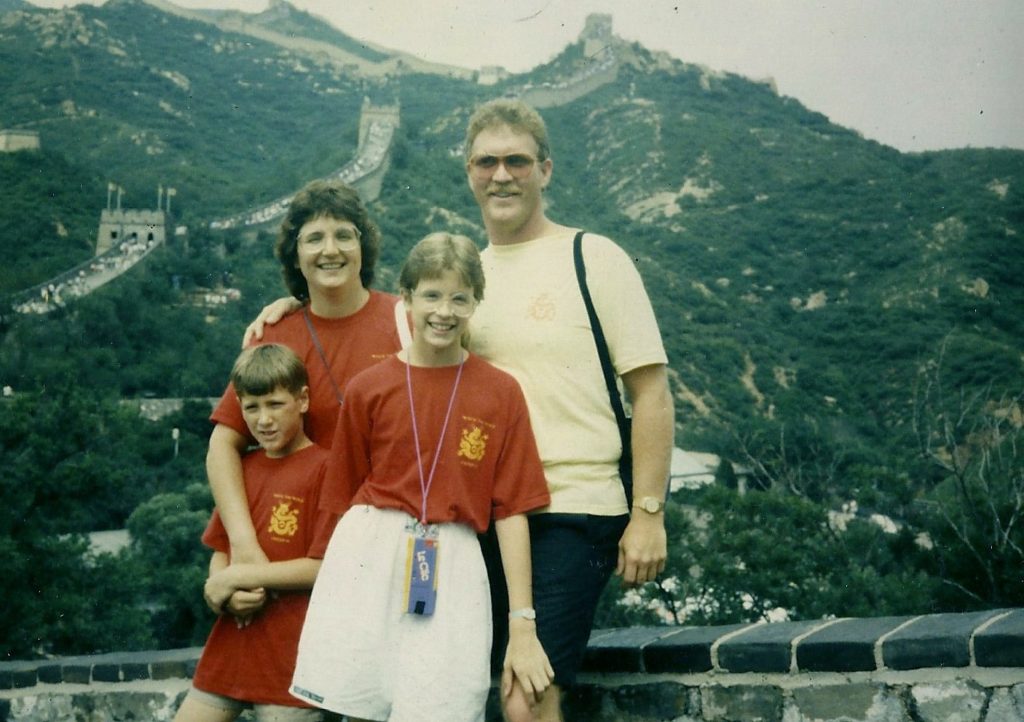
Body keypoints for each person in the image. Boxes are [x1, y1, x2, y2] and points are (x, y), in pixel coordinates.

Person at [463, 98, 675, 721]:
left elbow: (652, 394)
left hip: (573, 507)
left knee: (526, 698)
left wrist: (649, 515)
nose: (502, 175)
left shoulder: (594, 257)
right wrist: (288, 305)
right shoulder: (466, 277)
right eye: (487, 162)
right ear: (469, 172)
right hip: (488, 517)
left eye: (517, 161)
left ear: (545, 170)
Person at [289, 232, 553, 722]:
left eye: (460, 298)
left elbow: (512, 509)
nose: (444, 311)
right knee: (360, 707)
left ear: (476, 302)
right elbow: (340, 499)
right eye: (431, 295)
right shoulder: (369, 388)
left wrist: (523, 621)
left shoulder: (499, 392)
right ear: (406, 298)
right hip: (370, 555)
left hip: (452, 560)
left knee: (442, 705)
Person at [208, 178, 407, 574]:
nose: (330, 250)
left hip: (396, 541)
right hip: (306, 557)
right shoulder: (276, 335)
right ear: (295, 255)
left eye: (344, 236)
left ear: (362, 247)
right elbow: (222, 446)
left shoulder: (407, 321)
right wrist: (244, 549)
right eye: (314, 238)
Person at [175, 343, 336, 722]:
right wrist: (221, 590)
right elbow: (222, 549)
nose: (263, 419)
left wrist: (241, 576)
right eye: (251, 407)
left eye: (275, 404)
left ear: (303, 400)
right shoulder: (242, 468)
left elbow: (323, 566)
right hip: (232, 648)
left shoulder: (325, 469)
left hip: (292, 661)